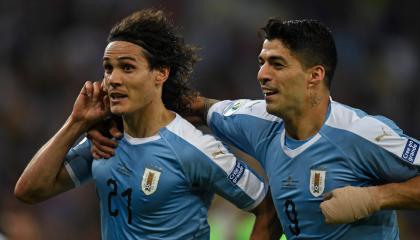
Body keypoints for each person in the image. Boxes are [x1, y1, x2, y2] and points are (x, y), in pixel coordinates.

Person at [90, 18, 420, 239]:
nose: (262, 74)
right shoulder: (254, 121)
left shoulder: (361, 134)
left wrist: (376, 197)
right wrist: (113, 121)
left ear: (314, 76)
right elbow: (190, 104)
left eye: (277, 64)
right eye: (262, 62)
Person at [14, 9, 282, 240]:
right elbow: (29, 191)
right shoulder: (105, 141)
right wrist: (77, 122)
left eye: (127, 68)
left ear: (160, 73)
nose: (113, 79)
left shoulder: (194, 147)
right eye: (108, 68)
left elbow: (268, 207)